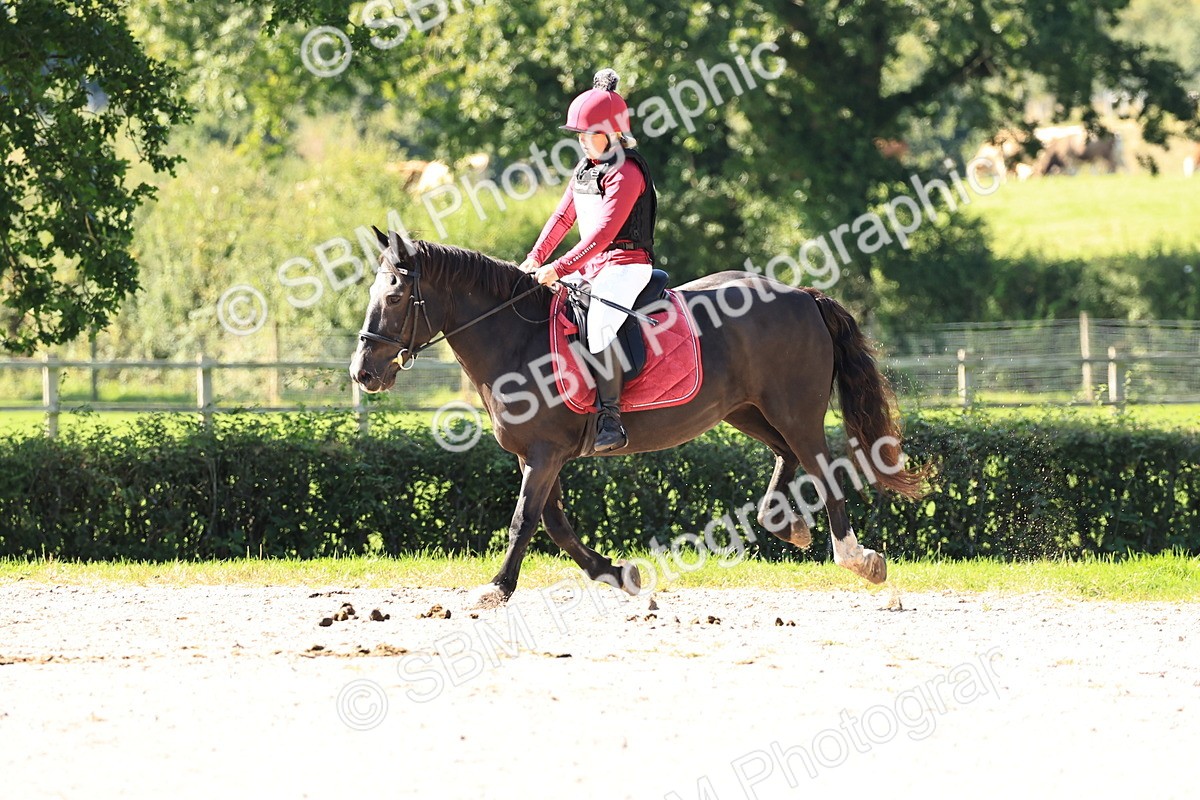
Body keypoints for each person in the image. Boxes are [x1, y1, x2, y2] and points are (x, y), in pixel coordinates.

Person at [521, 68, 658, 453]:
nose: (582, 140)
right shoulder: (585, 169)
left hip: (626, 266)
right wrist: (534, 258)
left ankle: (610, 419)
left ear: (612, 132)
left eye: (588, 133)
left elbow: (602, 236)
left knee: (598, 326)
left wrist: (558, 268)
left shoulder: (626, 172)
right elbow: (562, 218)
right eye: (579, 134)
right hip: (591, 267)